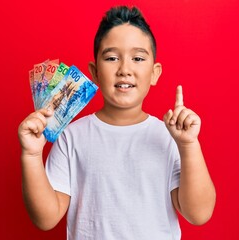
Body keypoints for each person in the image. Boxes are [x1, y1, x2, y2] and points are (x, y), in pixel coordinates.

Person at [18, 5, 216, 239]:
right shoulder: (72, 137)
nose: (124, 69)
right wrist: (31, 155)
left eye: (138, 58)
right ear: (95, 72)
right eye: (112, 58)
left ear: (155, 73)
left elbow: (199, 213)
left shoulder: (170, 136)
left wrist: (189, 145)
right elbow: (46, 218)